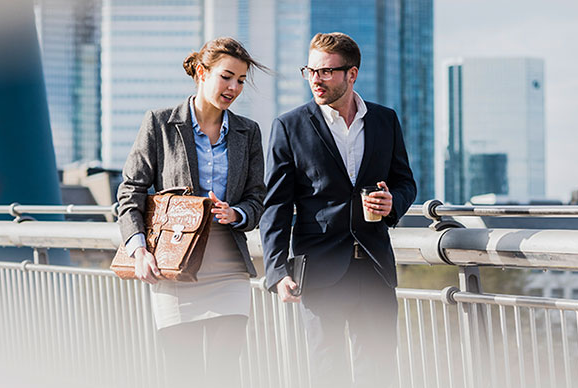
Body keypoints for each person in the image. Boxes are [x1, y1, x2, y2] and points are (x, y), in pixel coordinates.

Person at [260, 32, 416, 388]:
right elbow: (277, 206)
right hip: (320, 272)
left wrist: (395, 203)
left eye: (327, 72)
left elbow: (405, 181)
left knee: (379, 372)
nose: (316, 79)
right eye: (310, 71)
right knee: (327, 374)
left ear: (352, 74)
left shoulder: (384, 120)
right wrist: (276, 270)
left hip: (375, 269)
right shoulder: (289, 126)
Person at [115, 37, 267, 387]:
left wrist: (237, 214)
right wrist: (139, 250)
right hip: (175, 269)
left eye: (241, 80)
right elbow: (130, 190)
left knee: (224, 373)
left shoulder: (248, 132)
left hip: (229, 270)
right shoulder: (160, 123)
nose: (234, 87)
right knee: (184, 375)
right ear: (201, 72)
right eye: (226, 76)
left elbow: (257, 199)